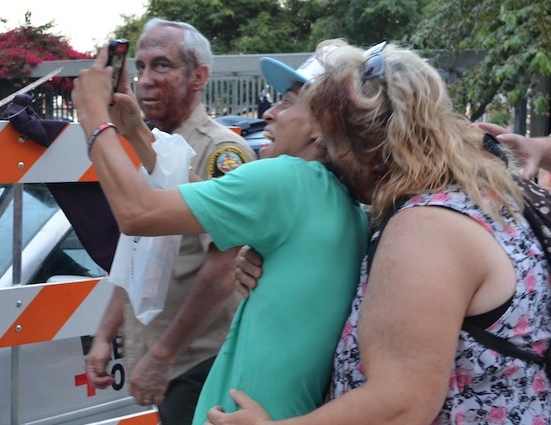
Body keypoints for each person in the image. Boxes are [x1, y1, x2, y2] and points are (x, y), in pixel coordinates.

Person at [209, 42, 551, 424]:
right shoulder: (473, 195)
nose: (326, 158)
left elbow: (401, 402)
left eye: (333, 145)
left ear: (375, 153)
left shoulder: (426, 229)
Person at [73, 37, 368, 424]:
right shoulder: (338, 198)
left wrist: (95, 118)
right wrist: (137, 136)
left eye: (289, 101)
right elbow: (203, 196)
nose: (270, 113)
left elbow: (137, 212)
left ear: (323, 127)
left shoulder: (287, 179)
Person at [81, 18, 258, 425]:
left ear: (198, 77)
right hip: (170, 357)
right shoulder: (152, 143)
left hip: (200, 361)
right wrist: (106, 334)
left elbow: (225, 264)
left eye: (162, 65)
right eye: (139, 67)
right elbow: (142, 254)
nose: (144, 80)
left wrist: (163, 355)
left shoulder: (220, 151)